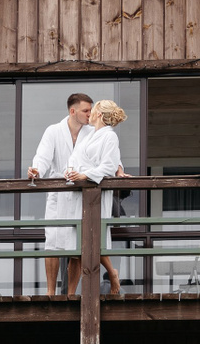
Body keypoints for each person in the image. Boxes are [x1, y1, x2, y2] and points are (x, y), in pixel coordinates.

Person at [64, 99, 130, 295]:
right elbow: (74, 158)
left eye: (92, 110)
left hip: (96, 194)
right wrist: (69, 171)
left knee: (93, 239)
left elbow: (109, 165)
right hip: (79, 194)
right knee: (75, 246)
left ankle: (112, 273)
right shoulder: (89, 135)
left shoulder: (109, 136)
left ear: (99, 114)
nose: (89, 113)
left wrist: (85, 175)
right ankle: (70, 294)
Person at [29, 92, 92, 295]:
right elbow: (42, 157)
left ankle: (71, 293)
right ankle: (50, 293)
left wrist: (118, 169)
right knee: (52, 243)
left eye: (91, 110)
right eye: (86, 110)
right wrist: (36, 170)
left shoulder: (92, 133)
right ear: (73, 111)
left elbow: (107, 155)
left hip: (80, 194)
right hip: (58, 194)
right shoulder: (53, 131)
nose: (90, 114)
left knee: (77, 245)